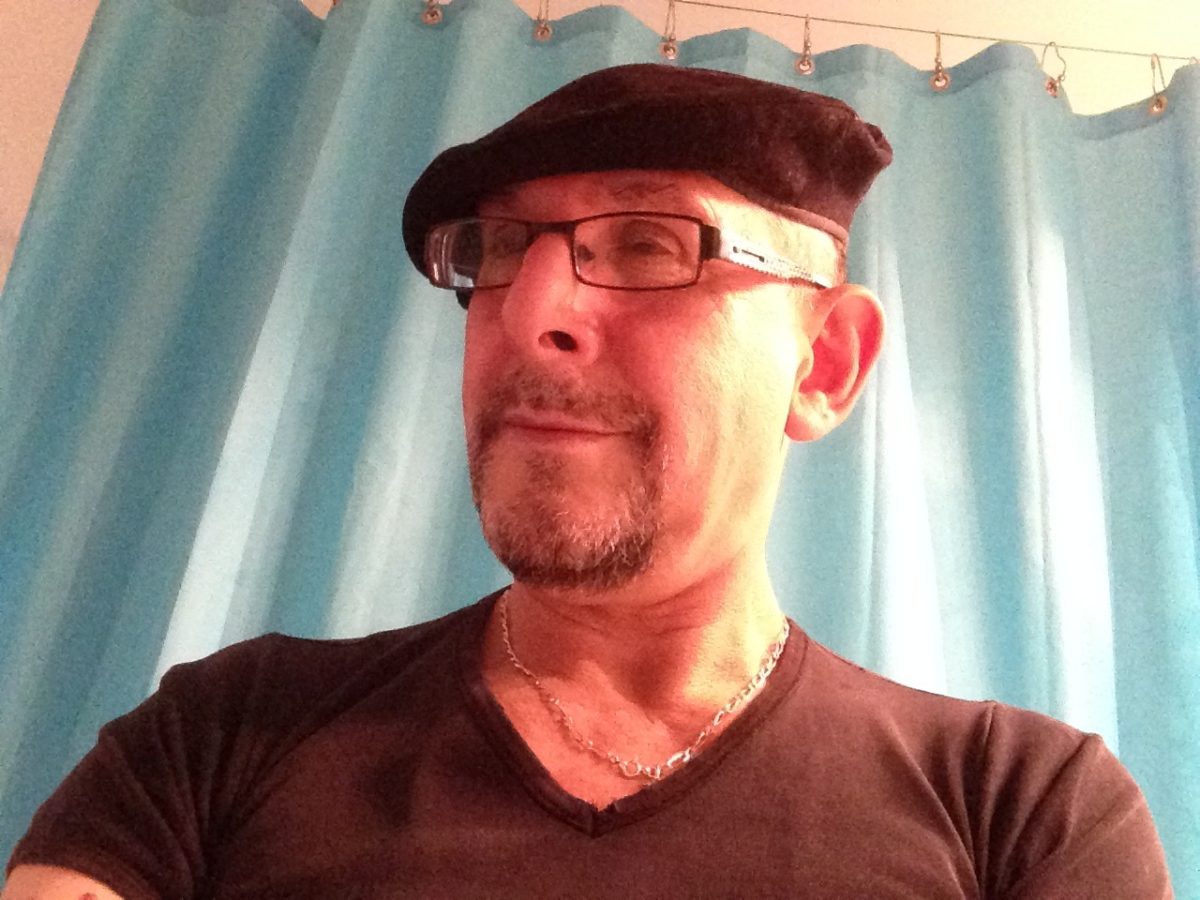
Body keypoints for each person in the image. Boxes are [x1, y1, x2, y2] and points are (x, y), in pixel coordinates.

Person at [4, 64, 1171, 899]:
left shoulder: (1024, 810)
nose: (530, 314)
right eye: (499, 252)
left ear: (823, 365)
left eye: (652, 245)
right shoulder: (222, 737)